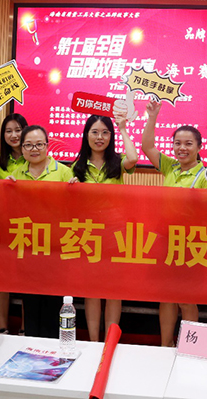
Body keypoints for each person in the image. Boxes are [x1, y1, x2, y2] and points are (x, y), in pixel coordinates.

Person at [141, 98, 205, 346]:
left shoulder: (206, 175)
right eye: (177, 143)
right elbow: (147, 147)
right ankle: (165, 346)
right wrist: (152, 117)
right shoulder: (171, 168)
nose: (182, 148)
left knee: (186, 300)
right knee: (166, 297)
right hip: (166, 242)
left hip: (192, 244)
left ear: (199, 147)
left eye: (188, 144)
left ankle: (191, 347)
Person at [70, 113, 138, 341]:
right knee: (92, 291)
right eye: (95, 132)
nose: (100, 137)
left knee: (113, 290)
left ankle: (110, 342)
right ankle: (93, 342)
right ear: (86, 135)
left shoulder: (117, 163)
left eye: (105, 132)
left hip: (115, 233)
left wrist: (123, 128)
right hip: (88, 235)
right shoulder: (77, 167)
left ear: (111, 136)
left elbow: (133, 157)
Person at [7, 125, 73, 337]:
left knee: (53, 302)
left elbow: (74, 208)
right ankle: (31, 343)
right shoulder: (16, 174)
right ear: (22, 148)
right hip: (28, 245)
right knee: (30, 300)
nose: (34, 149)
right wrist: (4, 189)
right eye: (28, 145)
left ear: (47, 146)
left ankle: (53, 347)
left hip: (55, 246)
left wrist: (77, 189)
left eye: (39, 144)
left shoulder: (63, 172)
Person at [0, 113, 29, 333]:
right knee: (0, 278)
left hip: (29, 227)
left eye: (18, 130)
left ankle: (24, 328)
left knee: (27, 279)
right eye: (8, 131)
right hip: (1, 226)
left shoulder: (35, 156)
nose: (14, 135)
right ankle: (2, 327)